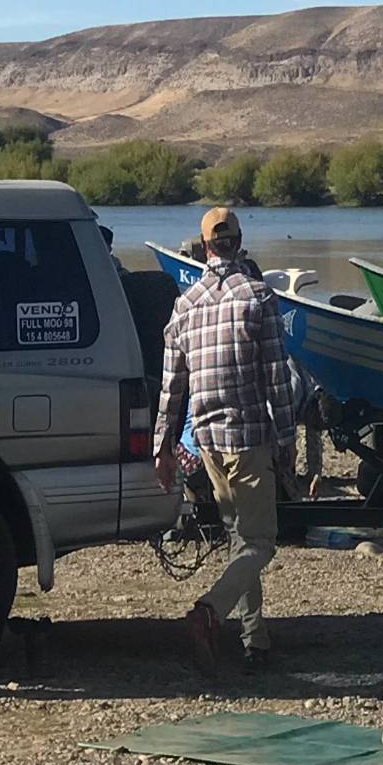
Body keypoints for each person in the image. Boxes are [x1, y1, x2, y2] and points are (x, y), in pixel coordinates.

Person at [154, 207, 296, 673]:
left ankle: (256, 640)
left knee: (240, 536)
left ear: (204, 247)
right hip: (249, 435)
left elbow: (171, 386)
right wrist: (288, 438)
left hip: (208, 442)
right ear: (239, 242)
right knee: (260, 543)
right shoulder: (258, 296)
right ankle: (209, 613)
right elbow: (277, 377)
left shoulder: (185, 305)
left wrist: (163, 447)